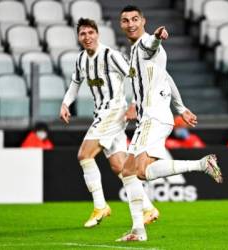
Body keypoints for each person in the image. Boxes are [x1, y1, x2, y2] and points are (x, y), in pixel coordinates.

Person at [117, 5, 223, 241]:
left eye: (135, 19)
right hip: (154, 117)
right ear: (121, 24)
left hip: (153, 117)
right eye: (125, 20)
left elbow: (151, 45)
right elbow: (168, 78)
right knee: (129, 172)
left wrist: (156, 36)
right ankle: (138, 230)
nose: (131, 23)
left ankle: (201, 164)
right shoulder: (135, 50)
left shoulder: (146, 45)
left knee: (136, 172)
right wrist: (181, 107)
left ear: (143, 21)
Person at [59, 18, 159, 228]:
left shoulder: (110, 55)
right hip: (103, 114)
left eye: (90, 33)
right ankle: (149, 208)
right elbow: (75, 83)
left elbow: (135, 75)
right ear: (78, 37)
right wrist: (65, 103)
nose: (87, 37)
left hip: (114, 111)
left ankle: (100, 206)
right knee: (120, 167)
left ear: (97, 34)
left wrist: (134, 103)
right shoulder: (81, 60)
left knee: (84, 155)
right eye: (83, 34)